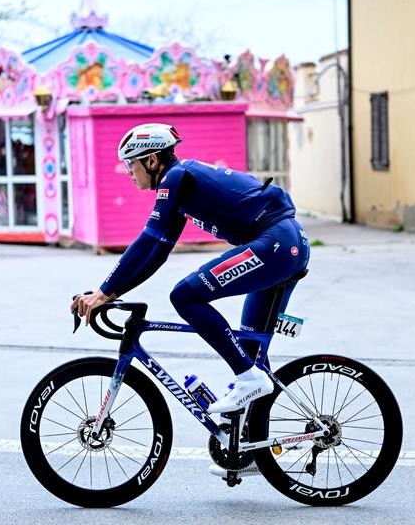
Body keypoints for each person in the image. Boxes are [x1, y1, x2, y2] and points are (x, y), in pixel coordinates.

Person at [70, 123, 310, 414]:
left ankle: (248, 378)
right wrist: (111, 292)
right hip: (284, 244)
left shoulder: (176, 177)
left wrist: (102, 292)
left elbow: (146, 242)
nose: (128, 171)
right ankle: (250, 451)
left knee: (185, 296)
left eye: (130, 163)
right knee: (249, 352)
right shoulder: (180, 186)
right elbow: (156, 253)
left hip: (276, 244)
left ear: (152, 160)